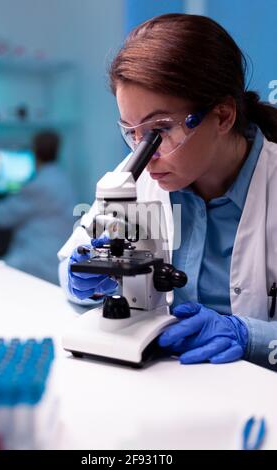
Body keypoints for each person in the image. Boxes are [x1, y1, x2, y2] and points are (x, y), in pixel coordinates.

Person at [58, 13, 277, 370]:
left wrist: (247, 336)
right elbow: (71, 260)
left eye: (160, 129)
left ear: (222, 116)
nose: (144, 153)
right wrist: (79, 277)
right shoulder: (133, 179)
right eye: (131, 132)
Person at [0, 130, 75, 284]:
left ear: (35, 152)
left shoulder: (41, 185)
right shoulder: (60, 178)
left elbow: (2, 216)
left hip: (38, 261)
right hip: (53, 256)